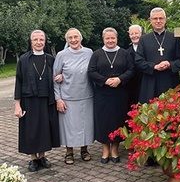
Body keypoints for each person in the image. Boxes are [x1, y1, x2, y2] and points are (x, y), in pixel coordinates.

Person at [14, 30, 60, 171]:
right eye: (36, 40)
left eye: (41, 39)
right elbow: (19, 82)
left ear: (45, 42)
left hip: (46, 100)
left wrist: (61, 77)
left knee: (44, 129)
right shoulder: (23, 59)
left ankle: (42, 156)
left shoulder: (50, 59)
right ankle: (33, 158)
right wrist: (17, 105)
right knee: (31, 130)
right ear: (31, 42)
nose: (39, 42)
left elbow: (57, 76)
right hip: (29, 100)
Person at [88, 27, 134, 164]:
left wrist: (120, 79)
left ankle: (115, 150)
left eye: (112, 38)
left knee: (118, 121)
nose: (110, 40)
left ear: (117, 39)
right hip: (103, 94)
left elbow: (131, 70)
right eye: (107, 38)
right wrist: (105, 81)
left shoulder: (124, 53)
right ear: (103, 39)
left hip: (120, 94)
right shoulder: (97, 54)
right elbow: (91, 71)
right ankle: (105, 150)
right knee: (104, 122)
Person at [53, 28, 94, 165]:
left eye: (76, 37)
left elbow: (93, 72)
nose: (73, 40)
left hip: (86, 95)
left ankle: (84, 150)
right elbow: (55, 78)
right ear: (67, 40)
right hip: (68, 97)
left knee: (85, 125)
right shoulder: (61, 55)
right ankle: (69, 152)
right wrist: (58, 98)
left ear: (81, 38)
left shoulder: (89, 53)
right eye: (70, 38)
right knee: (69, 127)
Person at [135, 8, 180, 104]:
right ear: (150, 21)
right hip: (150, 83)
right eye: (155, 18)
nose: (158, 21)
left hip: (170, 81)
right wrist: (154, 67)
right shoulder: (144, 40)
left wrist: (170, 64)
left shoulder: (174, 38)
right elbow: (138, 61)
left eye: (161, 18)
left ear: (165, 19)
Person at [127, 24, 143, 107]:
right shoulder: (126, 53)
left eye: (136, 33)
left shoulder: (148, 49)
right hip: (132, 88)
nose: (134, 36)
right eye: (131, 34)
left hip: (146, 84)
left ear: (141, 34)